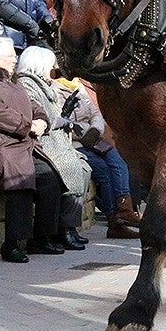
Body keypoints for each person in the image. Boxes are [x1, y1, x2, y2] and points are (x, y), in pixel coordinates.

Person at [0, 37, 59, 262]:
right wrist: (27, 126)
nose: (15, 59)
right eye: (10, 56)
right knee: (20, 180)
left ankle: (41, 238)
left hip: (23, 142)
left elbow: (35, 106)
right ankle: (12, 244)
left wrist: (42, 121)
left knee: (50, 179)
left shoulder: (14, 82)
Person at [16, 46, 92, 251]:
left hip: (56, 139)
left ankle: (68, 226)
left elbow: (54, 115)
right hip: (45, 142)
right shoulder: (27, 84)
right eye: (51, 65)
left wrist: (65, 116)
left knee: (84, 169)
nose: (55, 68)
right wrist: (62, 120)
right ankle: (62, 229)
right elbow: (43, 117)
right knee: (70, 169)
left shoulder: (45, 85)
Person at [67, 79, 141, 238]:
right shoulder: (57, 90)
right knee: (103, 170)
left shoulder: (79, 87)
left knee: (118, 161)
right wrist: (88, 131)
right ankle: (114, 222)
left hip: (94, 140)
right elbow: (64, 123)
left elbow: (96, 114)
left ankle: (125, 210)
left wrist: (94, 130)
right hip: (76, 144)